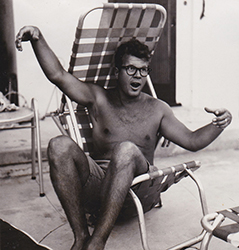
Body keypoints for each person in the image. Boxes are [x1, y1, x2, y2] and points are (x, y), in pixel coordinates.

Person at [15, 26, 232, 250]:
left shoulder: (157, 109)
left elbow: (193, 141)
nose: (138, 76)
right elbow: (58, 75)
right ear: (116, 71)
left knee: (126, 150)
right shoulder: (99, 98)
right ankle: (81, 237)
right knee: (58, 145)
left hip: (138, 191)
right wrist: (37, 38)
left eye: (143, 70)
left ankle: (97, 243)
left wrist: (220, 124)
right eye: (130, 69)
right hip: (98, 189)